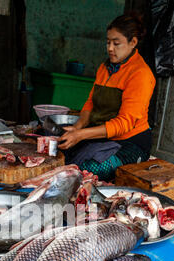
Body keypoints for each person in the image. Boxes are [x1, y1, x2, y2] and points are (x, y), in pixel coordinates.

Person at [58, 13, 156, 181]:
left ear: (133, 42)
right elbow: (91, 103)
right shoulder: (105, 67)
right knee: (58, 153)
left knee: (85, 171)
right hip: (103, 136)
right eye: (108, 42)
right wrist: (78, 127)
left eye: (116, 43)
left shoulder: (141, 75)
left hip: (130, 143)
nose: (110, 48)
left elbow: (124, 123)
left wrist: (81, 135)